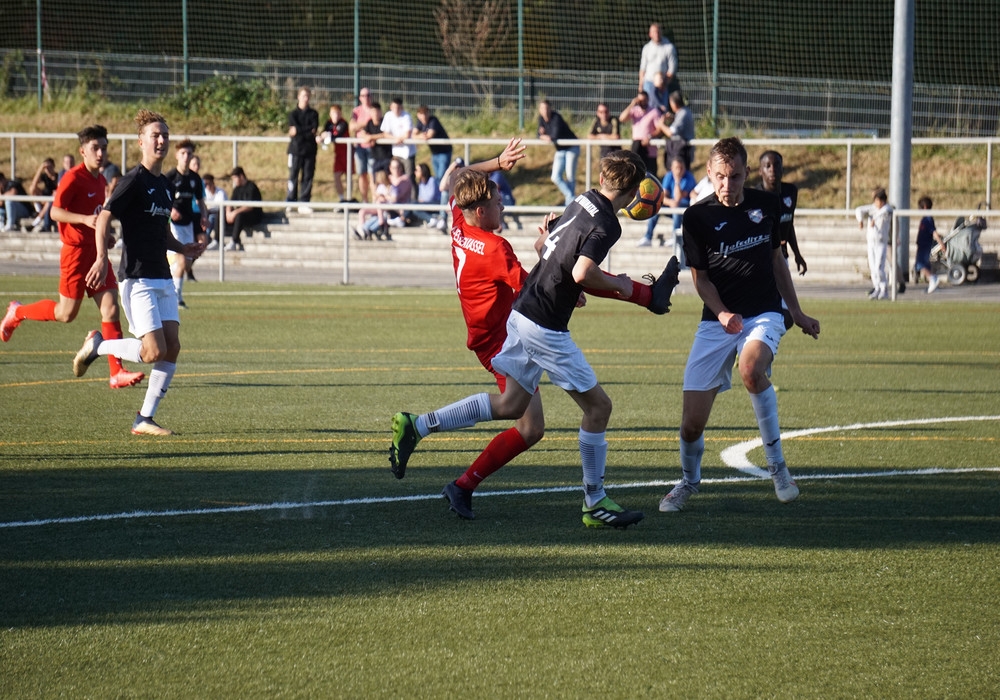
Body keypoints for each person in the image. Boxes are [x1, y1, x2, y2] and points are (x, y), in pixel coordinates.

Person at [390, 146, 681, 527]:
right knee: (598, 409)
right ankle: (594, 501)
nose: (502, 205)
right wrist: (626, 287)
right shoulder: (515, 243)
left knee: (514, 407)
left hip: (519, 316)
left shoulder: (579, 200)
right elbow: (582, 273)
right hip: (539, 325)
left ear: (601, 179)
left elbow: (554, 253)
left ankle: (422, 428)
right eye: (497, 201)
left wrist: (548, 250)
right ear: (632, 193)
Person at [659, 136, 820, 513]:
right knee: (691, 425)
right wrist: (721, 313)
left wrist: (796, 312)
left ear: (746, 173)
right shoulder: (696, 217)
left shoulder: (767, 205)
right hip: (718, 320)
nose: (726, 184)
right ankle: (688, 481)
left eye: (733, 176)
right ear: (709, 173)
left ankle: (778, 468)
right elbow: (700, 279)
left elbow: (777, 261)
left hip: (764, 312)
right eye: (719, 176)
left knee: (750, 370)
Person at [70, 109, 206, 436]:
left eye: (165, 135)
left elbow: (161, 231)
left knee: (172, 347)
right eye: (155, 135)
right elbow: (105, 217)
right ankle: (99, 346)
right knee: (153, 351)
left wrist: (183, 248)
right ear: (141, 142)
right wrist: (101, 257)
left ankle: (144, 418)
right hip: (137, 277)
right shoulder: (132, 181)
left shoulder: (164, 185)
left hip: (163, 276)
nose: (161, 141)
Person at [1, 124, 145, 389]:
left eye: (104, 148)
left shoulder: (100, 179)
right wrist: (84, 220)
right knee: (66, 313)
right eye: (95, 148)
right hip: (75, 254)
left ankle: (116, 372)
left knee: (111, 307)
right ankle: (17, 312)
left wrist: (104, 236)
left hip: (96, 253)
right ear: (82, 151)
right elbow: (55, 212)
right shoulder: (72, 177)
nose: (100, 153)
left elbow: (97, 217)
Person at [163, 139, 208, 307]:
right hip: (173, 225)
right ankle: (177, 299)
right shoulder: (170, 177)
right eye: (183, 153)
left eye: (189, 153)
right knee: (181, 262)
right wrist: (171, 210)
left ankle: (168, 285)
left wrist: (204, 216)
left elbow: (201, 201)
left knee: (187, 264)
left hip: (188, 225)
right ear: (176, 155)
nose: (186, 157)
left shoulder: (195, 178)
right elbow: (161, 199)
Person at [758, 150, 807, 277]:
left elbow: (788, 224)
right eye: (768, 166)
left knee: (786, 290)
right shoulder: (755, 197)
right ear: (760, 171)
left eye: (776, 165)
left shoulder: (790, 191)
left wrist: (797, 254)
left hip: (781, 257)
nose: (772, 169)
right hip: (761, 259)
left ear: (783, 169)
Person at [639, 154, 696, 248]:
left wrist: (677, 181)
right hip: (672, 204)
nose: (678, 170)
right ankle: (647, 237)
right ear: (672, 168)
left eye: (681, 168)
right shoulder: (669, 176)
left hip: (684, 206)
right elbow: (663, 196)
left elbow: (678, 198)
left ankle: (674, 237)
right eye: (676, 168)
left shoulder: (689, 177)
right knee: (656, 206)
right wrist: (670, 202)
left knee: (677, 208)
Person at [412, 105, 452, 225]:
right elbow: (414, 135)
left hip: (444, 152)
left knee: (441, 179)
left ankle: (443, 207)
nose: (423, 116)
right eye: (421, 114)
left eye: (425, 113)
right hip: (435, 153)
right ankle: (440, 205)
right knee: (438, 180)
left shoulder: (433, 120)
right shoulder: (420, 123)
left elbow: (429, 135)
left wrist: (421, 136)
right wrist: (421, 136)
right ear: (418, 115)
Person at [537, 99, 580, 206]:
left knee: (570, 177)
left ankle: (569, 204)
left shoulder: (556, 117)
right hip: (560, 150)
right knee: (555, 177)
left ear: (550, 108)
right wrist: (543, 136)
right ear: (539, 110)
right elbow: (538, 134)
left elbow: (554, 135)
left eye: (546, 108)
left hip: (572, 147)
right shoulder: (541, 119)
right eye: (542, 108)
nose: (545, 111)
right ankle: (571, 198)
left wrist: (544, 136)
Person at [856, 186, 893, 300]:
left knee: (879, 267)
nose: (875, 203)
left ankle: (884, 289)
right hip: (871, 242)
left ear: (882, 200)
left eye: (877, 200)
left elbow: (883, 212)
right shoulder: (873, 208)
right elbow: (859, 210)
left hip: (881, 242)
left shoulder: (887, 209)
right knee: (872, 268)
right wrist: (860, 220)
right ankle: (877, 288)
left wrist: (874, 219)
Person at [286, 86, 319, 212]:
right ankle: (290, 200)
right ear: (298, 97)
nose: (306, 99)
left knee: (308, 176)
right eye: (304, 96)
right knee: (293, 175)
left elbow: (313, 130)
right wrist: (306, 130)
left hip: (310, 150)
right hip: (296, 150)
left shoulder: (314, 114)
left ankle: (304, 202)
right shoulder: (293, 114)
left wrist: (299, 130)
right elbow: (294, 130)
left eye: (308, 96)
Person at [618, 90, 661, 185]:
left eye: (644, 100)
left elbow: (659, 129)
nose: (642, 103)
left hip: (649, 150)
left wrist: (650, 136)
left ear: (648, 100)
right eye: (640, 100)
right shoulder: (635, 111)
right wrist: (632, 104)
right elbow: (622, 118)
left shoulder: (654, 112)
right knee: (635, 176)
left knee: (650, 177)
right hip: (637, 148)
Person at [224, 166, 263, 252]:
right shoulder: (237, 189)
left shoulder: (251, 187)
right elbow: (230, 203)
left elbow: (250, 206)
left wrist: (234, 213)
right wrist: (228, 212)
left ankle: (234, 242)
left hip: (253, 216)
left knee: (239, 215)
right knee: (221, 212)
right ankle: (217, 240)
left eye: (235, 178)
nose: (234, 181)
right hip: (240, 215)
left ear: (241, 176)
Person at [349, 87, 376, 203]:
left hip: (372, 146)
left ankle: (375, 200)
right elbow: (352, 127)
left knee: (373, 175)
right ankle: (365, 200)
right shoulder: (357, 111)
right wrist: (366, 124)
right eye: (363, 95)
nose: (366, 98)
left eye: (368, 95)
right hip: (360, 147)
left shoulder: (374, 110)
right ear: (360, 98)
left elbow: (377, 124)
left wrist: (360, 126)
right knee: (362, 175)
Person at [319, 104, 349, 202]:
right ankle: (342, 199)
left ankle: (349, 198)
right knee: (336, 175)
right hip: (338, 154)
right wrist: (321, 136)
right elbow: (324, 132)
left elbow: (338, 134)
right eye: (333, 113)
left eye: (337, 113)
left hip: (347, 153)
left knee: (348, 176)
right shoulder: (329, 123)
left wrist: (328, 135)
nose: (335, 115)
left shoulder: (343, 123)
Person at [657, 91, 695, 171]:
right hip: (681, 150)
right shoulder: (684, 112)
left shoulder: (683, 113)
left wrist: (661, 124)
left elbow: (671, 132)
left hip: (682, 151)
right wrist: (673, 119)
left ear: (674, 103)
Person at [639, 23, 679, 97]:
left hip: (662, 85)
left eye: (658, 31)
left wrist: (665, 84)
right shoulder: (646, 48)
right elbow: (642, 69)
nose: (656, 34)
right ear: (650, 34)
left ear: (661, 32)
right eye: (654, 32)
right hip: (648, 83)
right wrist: (641, 86)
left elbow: (672, 68)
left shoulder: (669, 47)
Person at [915, 196, 945, 293]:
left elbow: (934, 232)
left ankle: (933, 278)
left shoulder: (928, 218)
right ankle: (933, 282)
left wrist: (941, 243)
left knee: (920, 264)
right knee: (925, 265)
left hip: (925, 245)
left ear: (924, 207)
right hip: (922, 244)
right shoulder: (925, 218)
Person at [359, 102, 392, 178]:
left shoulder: (384, 121)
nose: (375, 114)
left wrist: (371, 137)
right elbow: (363, 133)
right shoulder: (369, 122)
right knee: (376, 179)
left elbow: (385, 134)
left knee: (387, 178)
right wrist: (368, 137)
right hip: (375, 157)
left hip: (386, 156)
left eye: (377, 112)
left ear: (380, 112)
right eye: (373, 112)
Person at [29, 157, 59, 232]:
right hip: (45, 198)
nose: (48, 169)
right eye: (46, 168)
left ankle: (36, 222)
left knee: (49, 202)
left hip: (52, 200)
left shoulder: (58, 176)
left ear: (53, 166)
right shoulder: (44, 176)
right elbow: (33, 185)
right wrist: (40, 168)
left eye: (49, 167)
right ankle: (38, 211)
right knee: (32, 189)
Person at [411, 163, 444, 229]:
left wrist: (422, 201)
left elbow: (430, 197)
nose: (415, 172)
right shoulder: (420, 183)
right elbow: (420, 197)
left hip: (436, 203)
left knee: (414, 204)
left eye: (417, 170)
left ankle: (431, 219)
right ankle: (431, 219)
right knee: (414, 208)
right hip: (426, 203)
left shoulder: (432, 180)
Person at [384, 157, 412, 230]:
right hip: (388, 207)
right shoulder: (388, 178)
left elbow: (396, 197)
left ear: (401, 168)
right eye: (393, 168)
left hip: (401, 208)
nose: (396, 170)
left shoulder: (405, 179)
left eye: (398, 167)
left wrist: (385, 196)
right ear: (390, 168)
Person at [201, 174, 227, 250]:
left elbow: (221, 206)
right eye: (204, 184)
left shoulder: (220, 192)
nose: (206, 186)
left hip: (219, 214)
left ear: (212, 183)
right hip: (208, 213)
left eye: (208, 184)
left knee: (211, 218)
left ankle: (207, 239)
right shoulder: (204, 193)